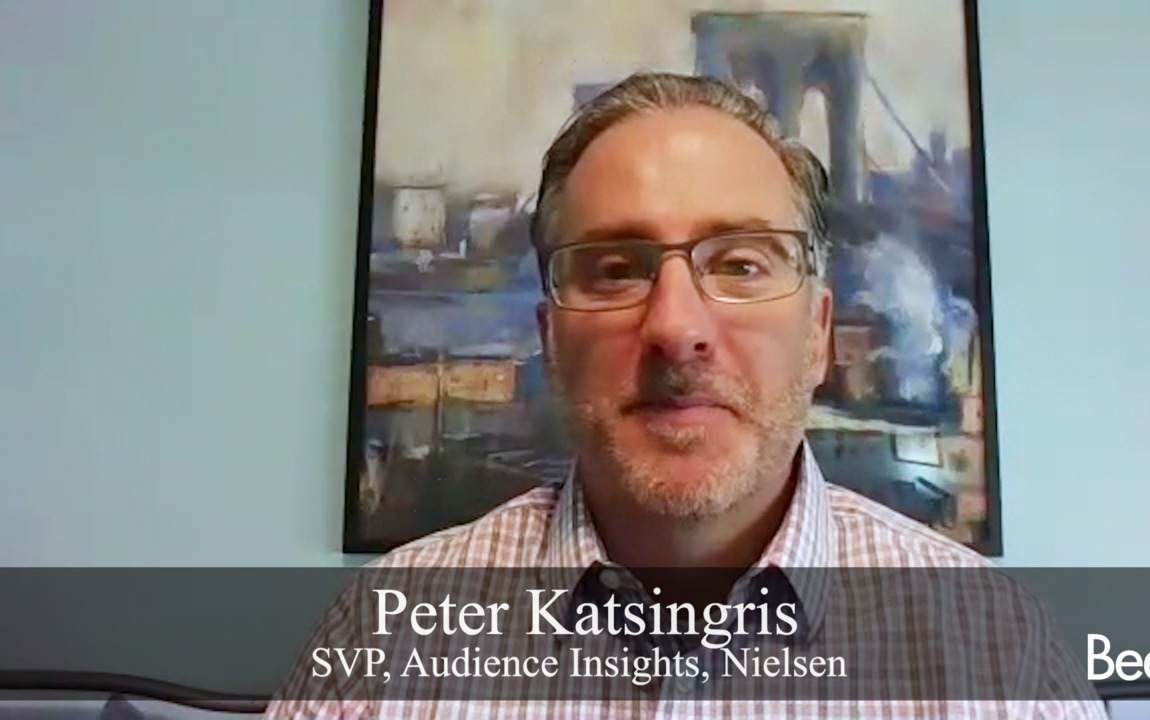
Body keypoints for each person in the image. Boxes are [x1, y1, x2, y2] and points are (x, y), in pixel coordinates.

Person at [266, 72, 1107, 719]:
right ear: (550, 337)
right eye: (615, 269)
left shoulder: (1003, 658)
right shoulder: (380, 645)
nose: (676, 327)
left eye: (741, 264)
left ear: (818, 332)